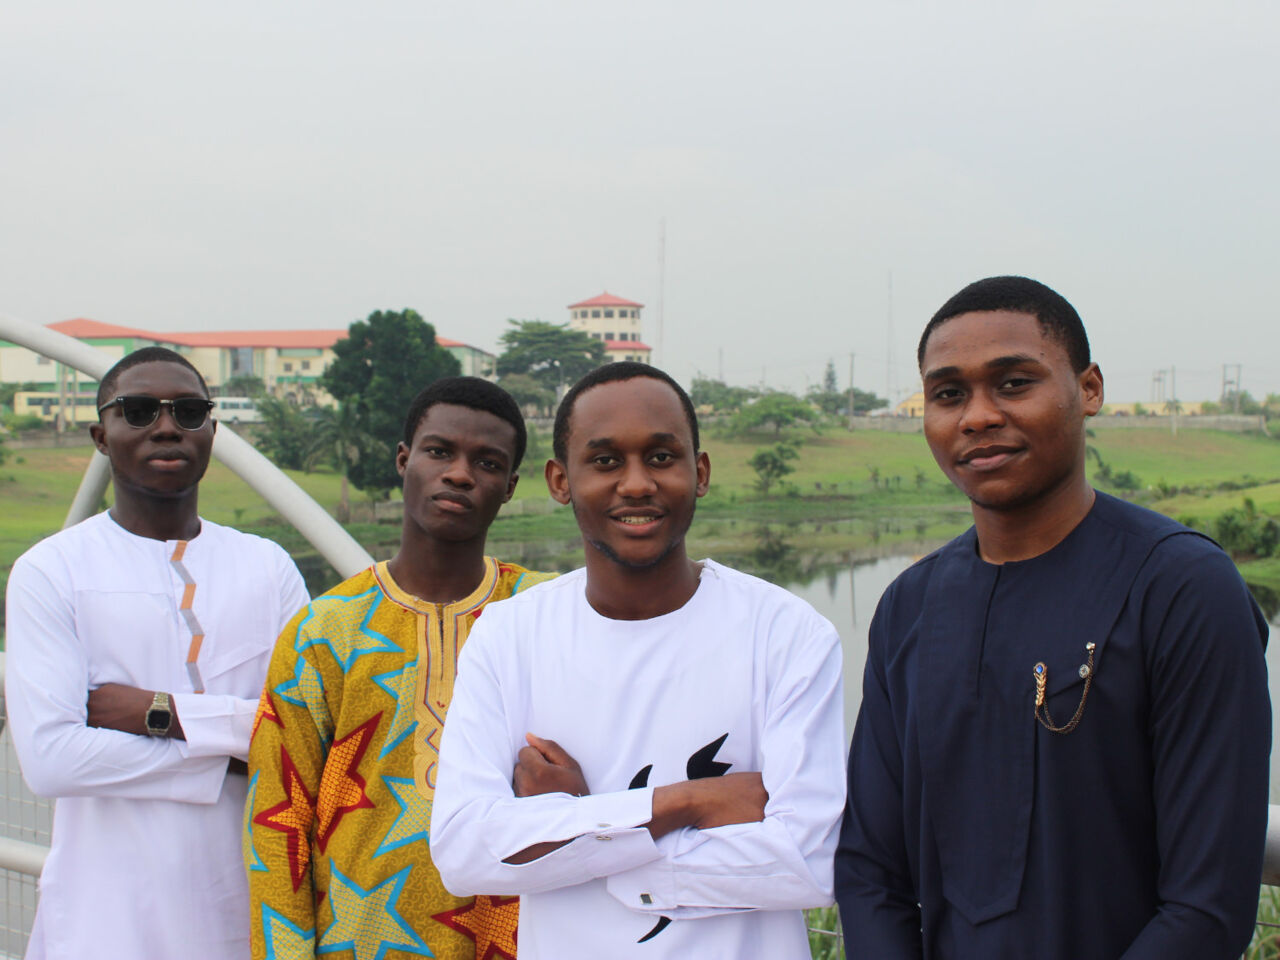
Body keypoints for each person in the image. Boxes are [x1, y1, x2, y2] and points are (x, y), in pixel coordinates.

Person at [835, 276, 1271, 959]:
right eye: (948, 394)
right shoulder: (909, 606)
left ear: (1088, 389)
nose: (977, 416)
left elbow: (1207, 906)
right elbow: (869, 869)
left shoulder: (1181, 587)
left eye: (1013, 383)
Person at [429, 362, 846, 959]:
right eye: (605, 461)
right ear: (560, 480)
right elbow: (464, 853)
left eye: (661, 457)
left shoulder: (786, 634)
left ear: (700, 472)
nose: (636, 484)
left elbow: (809, 862)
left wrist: (576, 829)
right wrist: (685, 804)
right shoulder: (508, 636)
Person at [4, 346, 309, 960]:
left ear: (211, 432)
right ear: (101, 436)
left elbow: (306, 733)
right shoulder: (51, 571)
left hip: (250, 910)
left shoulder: (267, 567)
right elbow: (52, 760)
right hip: (106, 920)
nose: (167, 427)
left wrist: (158, 713)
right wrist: (230, 757)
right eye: (139, 410)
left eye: (189, 412)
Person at [246, 376, 553, 960]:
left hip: (525, 938)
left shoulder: (544, 612)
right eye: (440, 452)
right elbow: (277, 822)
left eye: (487, 463)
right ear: (404, 460)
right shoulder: (323, 632)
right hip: (360, 942)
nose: (460, 474)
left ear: (510, 487)